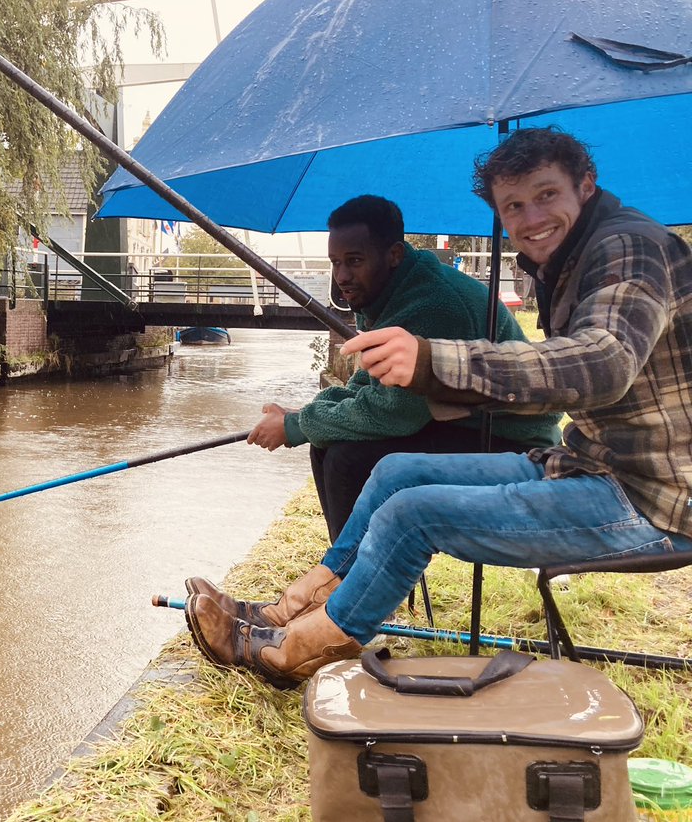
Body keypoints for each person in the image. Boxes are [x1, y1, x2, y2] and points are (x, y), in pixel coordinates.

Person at [184, 127, 692, 688]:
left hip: (654, 500)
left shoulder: (629, 247)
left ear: (586, 186)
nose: (530, 219)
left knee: (413, 512)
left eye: (546, 195)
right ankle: (287, 612)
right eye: (513, 206)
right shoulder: (568, 259)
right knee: (397, 471)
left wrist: (432, 361)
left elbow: (606, 362)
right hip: (586, 464)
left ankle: (289, 653)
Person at [244, 195, 560, 545]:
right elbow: (367, 385)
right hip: (456, 420)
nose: (342, 276)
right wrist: (304, 416)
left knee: (347, 459)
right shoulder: (393, 294)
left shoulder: (433, 304)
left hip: (511, 441)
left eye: (354, 261)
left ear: (393, 255)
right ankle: (349, 571)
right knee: (326, 447)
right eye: (335, 262)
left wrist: (295, 426)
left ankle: (353, 582)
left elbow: (394, 413)